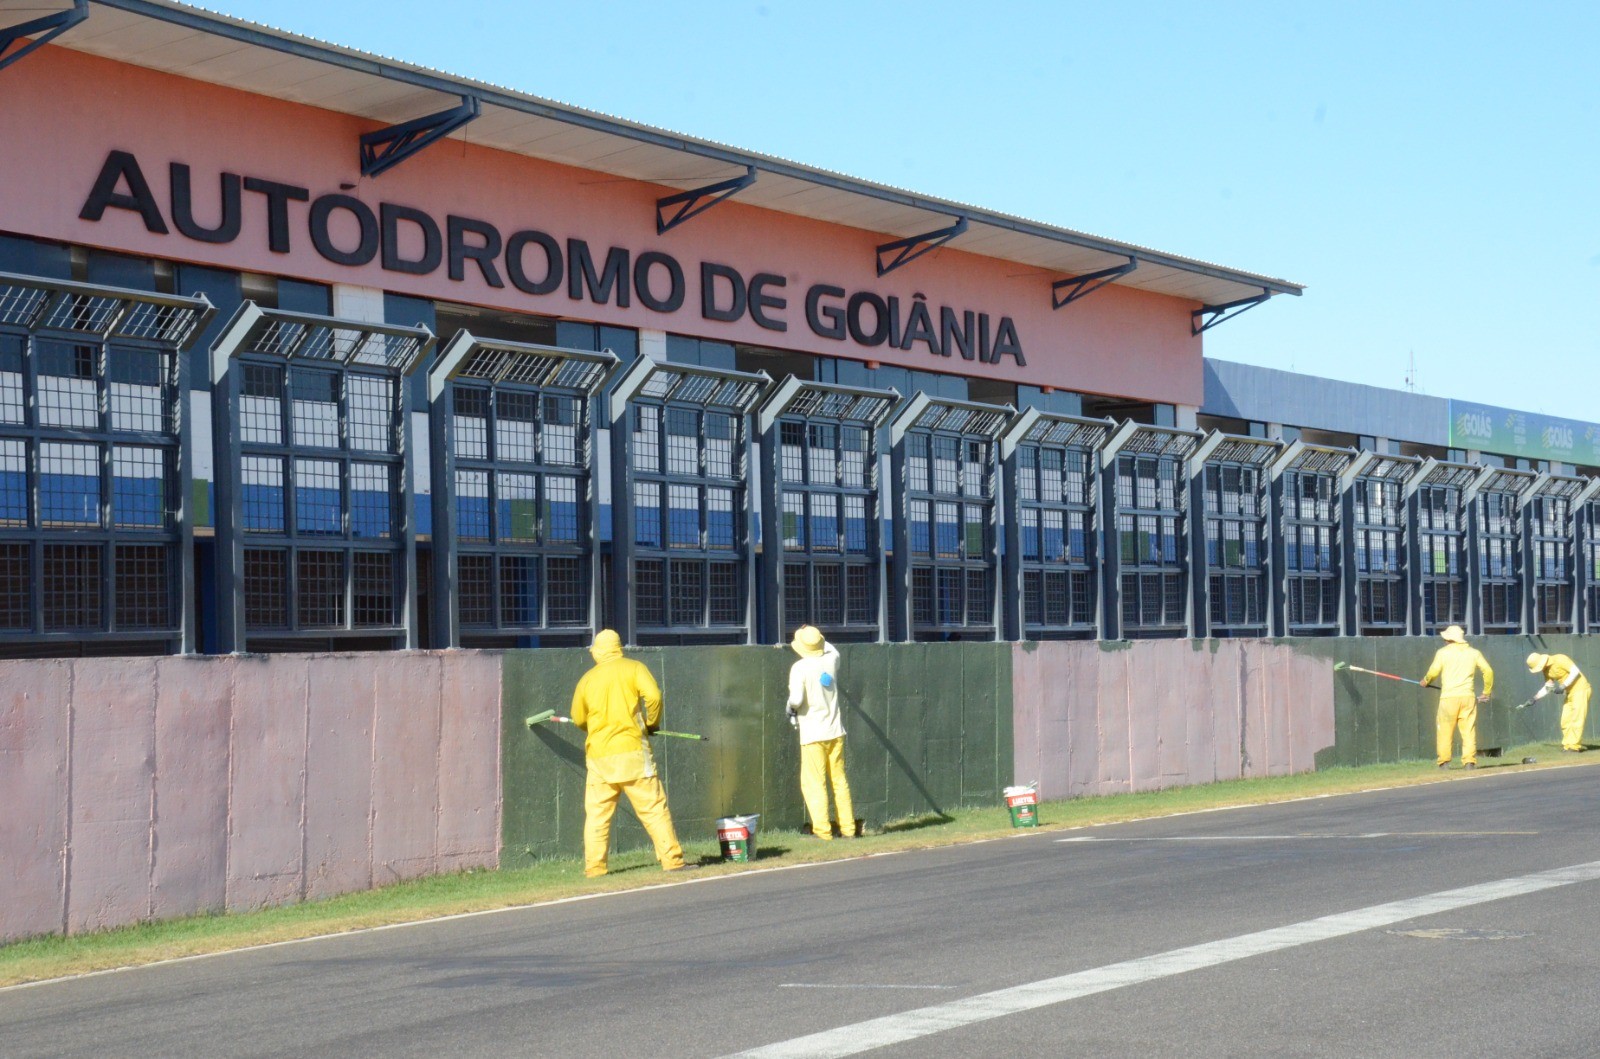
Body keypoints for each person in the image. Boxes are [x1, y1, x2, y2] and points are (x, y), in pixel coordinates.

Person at [570, 629, 687, 877]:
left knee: (597, 816)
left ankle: (595, 868)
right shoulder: (634, 668)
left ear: (596, 651)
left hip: (599, 756)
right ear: (619, 647)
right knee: (653, 809)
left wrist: (595, 728)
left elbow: (578, 718)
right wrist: (651, 724)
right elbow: (653, 697)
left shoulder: (587, 679)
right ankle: (672, 861)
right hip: (633, 753)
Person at [787, 625, 858, 839]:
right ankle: (848, 829)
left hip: (813, 735)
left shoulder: (799, 668)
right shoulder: (831, 661)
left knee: (814, 783)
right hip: (835, 731)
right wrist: (817, 636)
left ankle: (823, 831)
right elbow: (832, 649)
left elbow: (796, 700)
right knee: (839, 781)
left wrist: (789, 708)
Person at [1421, 624, 1493, 769]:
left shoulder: (1442, 653)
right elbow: (1488, 671)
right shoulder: (1474, 653)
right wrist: (1486, 692)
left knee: (1445, 731)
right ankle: (1469, 762)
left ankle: (1444, 763)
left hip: (1448, 698)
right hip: (1468, 697)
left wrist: (1426, 681)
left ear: (1449, 639)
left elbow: (1434, 671)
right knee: (1468, 731)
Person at [1526, 652, 1591, 753]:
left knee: (1577, 719)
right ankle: (1567, 745)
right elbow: (1548, 687)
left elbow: (1575, 671)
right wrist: (1535, 698)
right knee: (1565, 720)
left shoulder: (1560, 659)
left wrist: (1563, 685)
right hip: (1569, 693)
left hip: (1581, 689)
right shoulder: (1546, 670)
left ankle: (1574, 746)